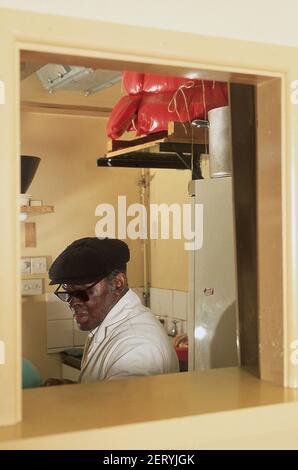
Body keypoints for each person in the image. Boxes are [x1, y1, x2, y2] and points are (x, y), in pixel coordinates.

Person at [44, 237, 179, 385]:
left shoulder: (137, 346)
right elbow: (108, 395)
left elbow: (122, 407)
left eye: (83, 292)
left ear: (117, 283)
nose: (74, 302)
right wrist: (71, 390)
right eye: (69, 293)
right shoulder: (108, 325)